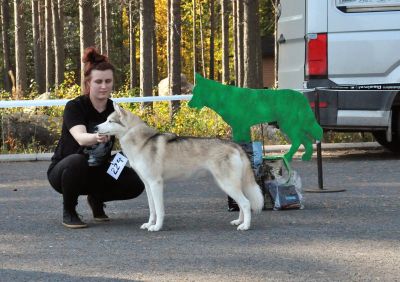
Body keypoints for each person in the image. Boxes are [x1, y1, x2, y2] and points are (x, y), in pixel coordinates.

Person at [47, 47, 145, 229]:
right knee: (77, 161)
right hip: (65, 173)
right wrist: (98, 137)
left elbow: (137, 133)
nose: (104, 86)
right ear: (88, 83)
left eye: (108, 81)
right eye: (98, 81)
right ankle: (69, 211)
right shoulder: (75, 107)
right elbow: (81, 138)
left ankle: (97, 198)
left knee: (135, 180)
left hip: (99, 170)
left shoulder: (116, 110)